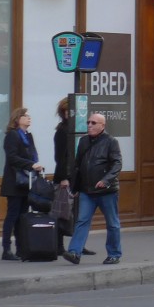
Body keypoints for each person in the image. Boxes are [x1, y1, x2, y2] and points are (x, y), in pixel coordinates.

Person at [63, 112, 122, 265]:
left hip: (106, 191)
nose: (89, 125)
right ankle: (75, 252)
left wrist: (106, 180)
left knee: (112, 223)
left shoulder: (111, 142)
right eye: (88, 122)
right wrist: (75, 187)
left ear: (102, 126)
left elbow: (117, 164)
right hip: (87, 191)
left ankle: (114, 254)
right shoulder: (83, 141)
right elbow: (77, 166)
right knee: (82, 221)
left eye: (93, 123)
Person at [0, 107, 44, 261]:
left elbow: (32, 156)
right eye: (25, 116)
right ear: (17, 119)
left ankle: (20, 248)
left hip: (26, 182)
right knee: (12, 216)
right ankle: (6, 249)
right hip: (14, 182)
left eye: (29, 116)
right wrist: (30, 165)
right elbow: (12, 158)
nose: (29, 118)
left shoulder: (27, 136)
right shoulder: (12, 135)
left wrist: (35, 165)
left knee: (22, 216)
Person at [52, 98, 94, 257]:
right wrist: (64, 177)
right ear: (66, 113)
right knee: (62, 212)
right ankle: (58, 246)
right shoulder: (62, 131)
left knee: (78, 213)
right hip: (66, 177)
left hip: (78, 177)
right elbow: (60, 157)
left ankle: (78, 245)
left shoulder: (78, 130)